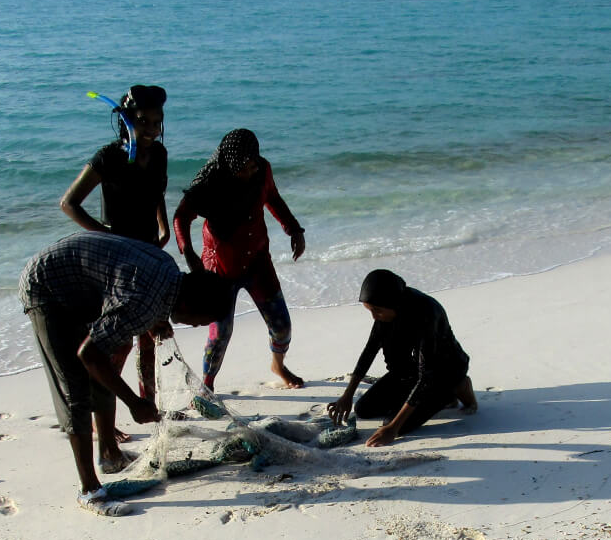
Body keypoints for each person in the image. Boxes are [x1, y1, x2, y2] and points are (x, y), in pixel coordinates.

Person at [18, 232, 234, 515]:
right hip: (46, 287)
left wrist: (154, 323)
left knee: (105, 362)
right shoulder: (143, 306)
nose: (196, 327)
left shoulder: (169, 271)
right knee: (76, 387)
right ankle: (90, 491)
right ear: (190, 305)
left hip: (78, 281)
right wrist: (134, 402)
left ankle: (109, 455)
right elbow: (89, 354)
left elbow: (125, 290)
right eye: (201, 321)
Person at [58, 85, 169, 466]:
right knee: (113, 344)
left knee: (152, 335)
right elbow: (69, 203)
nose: (152, 129)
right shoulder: (108, 157)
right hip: (116, 262)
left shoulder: (160, 154)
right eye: (144, 122)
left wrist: (162, 224)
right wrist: (104, 235)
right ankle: (104, 422)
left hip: (149, 253)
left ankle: (149, 405)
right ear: (126, 120)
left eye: (157, 122)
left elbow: (158, 193)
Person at [173, 128, 306, 392]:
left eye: (253, 163)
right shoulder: (209, 183)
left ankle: (278, 365)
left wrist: (294, 228)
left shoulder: (262, 169)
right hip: (219, 267)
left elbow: (273, 198)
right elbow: (180, 217)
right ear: (231, 167)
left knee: (282, 327)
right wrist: (188, 252)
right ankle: (207, 386)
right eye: (245, 167)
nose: (252, 170)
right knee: (220, 332)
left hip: (258, 259)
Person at [327, 269, 477, 448]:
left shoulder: (427, 314)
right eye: (370, 311)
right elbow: (369, 351)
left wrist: (393, 428)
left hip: (442, 371)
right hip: (411, 370)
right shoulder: (386, 310)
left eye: (377, 310)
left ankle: (458, 386)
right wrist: (347, 394)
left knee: (392, 423)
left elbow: (426, 376)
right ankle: (440, 398)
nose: (374, 316)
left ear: (393, 303)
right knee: (363, 409)